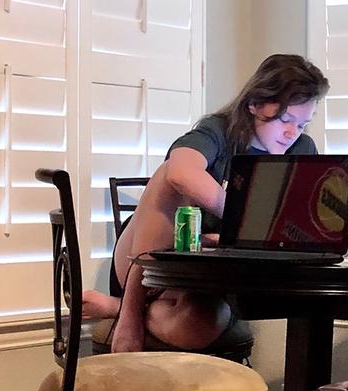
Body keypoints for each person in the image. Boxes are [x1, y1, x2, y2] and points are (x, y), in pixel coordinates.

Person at [83, 54, 330, 353]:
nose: (292, 133)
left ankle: (114, 308)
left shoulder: (302, 149)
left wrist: (229, 239)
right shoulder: (218, 131)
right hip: (148, 262)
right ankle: (130, 309)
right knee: (168, 173)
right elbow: (181, 172)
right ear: (254, 104)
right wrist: (240, 219)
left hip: (207, 276)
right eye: (285, 119)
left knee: (203, 325)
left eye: (302, 124)